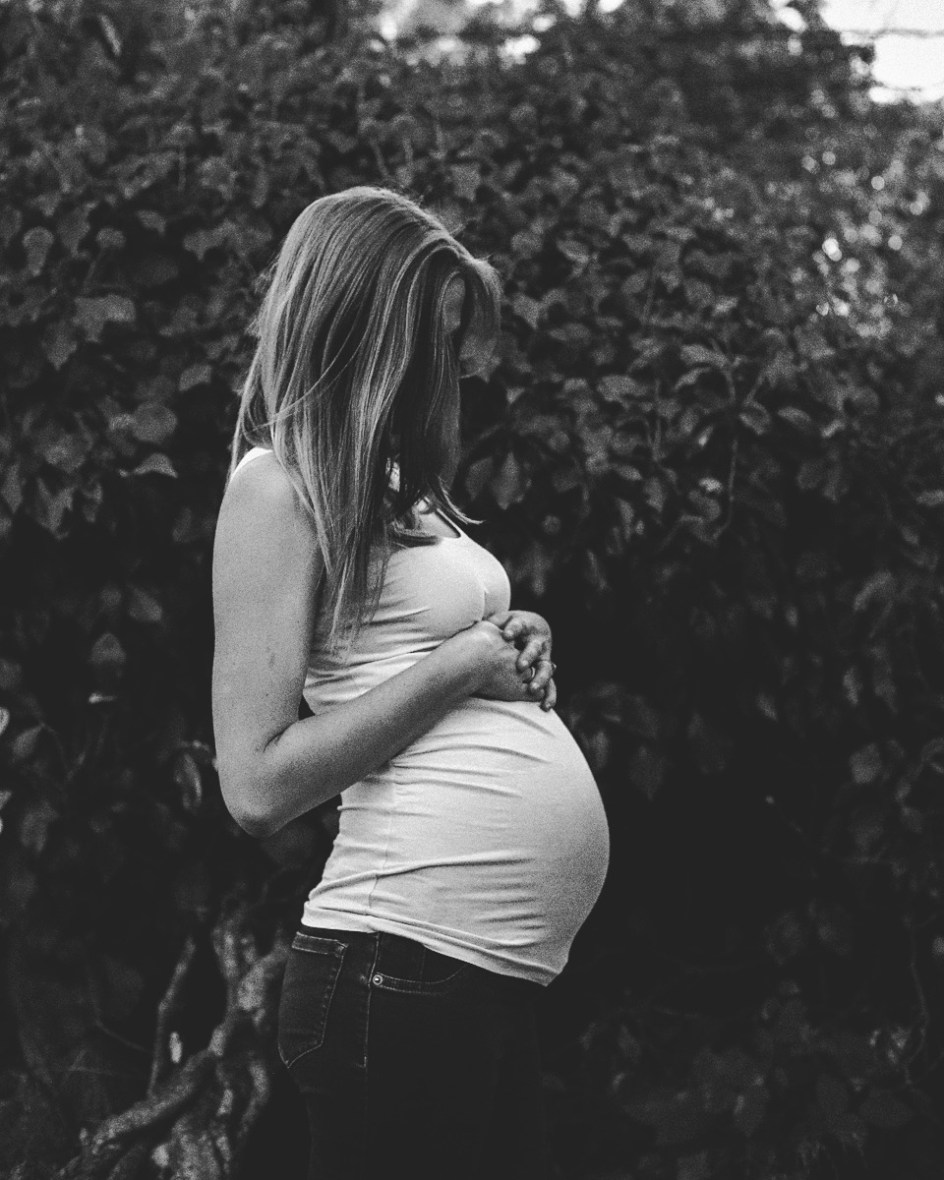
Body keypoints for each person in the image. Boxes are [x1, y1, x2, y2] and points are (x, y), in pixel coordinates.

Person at [211, 185, 610, 1180]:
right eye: (430, 334)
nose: (447, 364)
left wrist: (507, 637)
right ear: (358, 322)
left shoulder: (396, 484)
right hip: (393, 967)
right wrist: (458, 665)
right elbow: (255, 785)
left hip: (466, 974)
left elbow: (409, 653)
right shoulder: (276, 485)